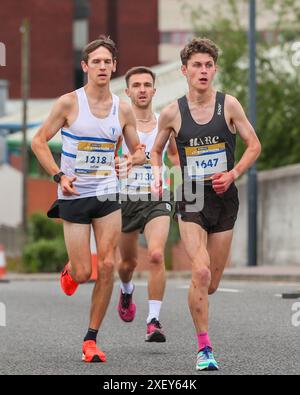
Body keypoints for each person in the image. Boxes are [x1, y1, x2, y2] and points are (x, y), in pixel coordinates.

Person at [31, 36, 145, 363]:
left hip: (108, 190)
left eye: (108, 62)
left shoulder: (122, 108)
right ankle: (72, 270)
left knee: (107, 264)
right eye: (96, 61)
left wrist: (131, 160)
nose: (103, 67)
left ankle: (91, 339)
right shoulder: (69, 103)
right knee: (84, 272)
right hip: (74, 193)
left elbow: (139, 150)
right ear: (85, 66)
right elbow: (39, 142)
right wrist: (59, 175)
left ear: (114, 67)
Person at [151, 38, 261, 371]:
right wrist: (158, 175)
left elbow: (254, 145)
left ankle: (200, 295)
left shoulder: (229, 105)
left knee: (211, 282)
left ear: (214, 69)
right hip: (191, 196)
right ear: (184, 71)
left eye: (209, 65)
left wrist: (234, 173)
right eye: (197, 65)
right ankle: (204, 349)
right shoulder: (172, 111)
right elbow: (156, 150)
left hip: (224, 197)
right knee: (199, 270)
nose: (203, 71)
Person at [116, 66, 179, 342]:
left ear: (154, 90)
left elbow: (175, 159)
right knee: (127, 263)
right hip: (124, 200)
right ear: (127, 91)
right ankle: (127, 290)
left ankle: (153, 319)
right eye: (136, 85)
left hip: (157, 197)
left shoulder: (164, 125)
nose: (142, 89)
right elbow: (109, 161)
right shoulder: (118, 126)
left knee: (155, 255)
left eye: (147, 85)